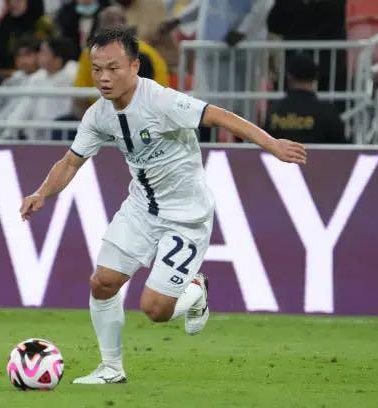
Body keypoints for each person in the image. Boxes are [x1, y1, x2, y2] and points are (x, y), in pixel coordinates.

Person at [19, 27, 306, 384]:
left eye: (113, 68)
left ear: (134, 66)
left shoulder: (161, 102)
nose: (104, 78)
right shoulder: (98, 115)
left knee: (155, 309)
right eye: (97, 69)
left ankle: (195, 291)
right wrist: (41, 193)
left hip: (186, 216)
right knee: (102, 283)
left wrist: (271, 144)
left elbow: (219, 116)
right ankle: (111, 369)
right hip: (141, 208)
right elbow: (70, 162)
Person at [3, 36, 78, 140]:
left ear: (58, 59)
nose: (39, 56)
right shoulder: (37, 78)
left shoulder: (74, 75)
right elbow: (23, 108)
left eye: (44, 53)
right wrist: (8, 133)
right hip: (36, 138)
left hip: (65, 137)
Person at [263, 54, 346, 144]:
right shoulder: (327, 110)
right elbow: (341, 145)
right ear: (315, 77)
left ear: (289, 76)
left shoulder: (275, 109)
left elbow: (265, 142)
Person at [0, 0, 54, 70]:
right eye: (10, 1)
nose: (13, 4)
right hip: (3, 71)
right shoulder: (7, 21)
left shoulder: (43, 24)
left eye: (18, 1)